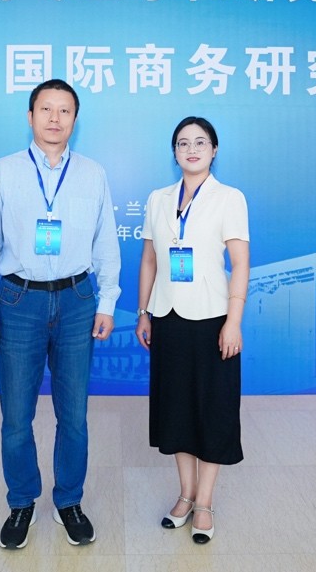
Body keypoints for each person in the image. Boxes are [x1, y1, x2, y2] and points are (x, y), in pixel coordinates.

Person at [0, 78, 121, 549]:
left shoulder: (92, 173)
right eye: (46, 109)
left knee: (74, 415)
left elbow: (105, 242)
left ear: (75, 119)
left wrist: (108, 300)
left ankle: (69, 500)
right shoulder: (2, 172)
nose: (55, 118)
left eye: (65, 110)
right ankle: (21, 502)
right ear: (30, 116)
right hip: (19, 301)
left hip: (77, 300)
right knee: (16, 416)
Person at [134, 116, 249, 544]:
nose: (192, 149)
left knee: (212, 410)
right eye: (183, 143)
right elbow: (150, 260)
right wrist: (143, 312)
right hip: (167, 317)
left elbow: (240, 263)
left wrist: (233, 321)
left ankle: (205, 502)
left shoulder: (229, 198)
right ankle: (184, 494)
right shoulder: (158, 199)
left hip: (212, 319)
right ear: (175, 152)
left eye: (201, 142)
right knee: (177, 409)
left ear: (214, 150)